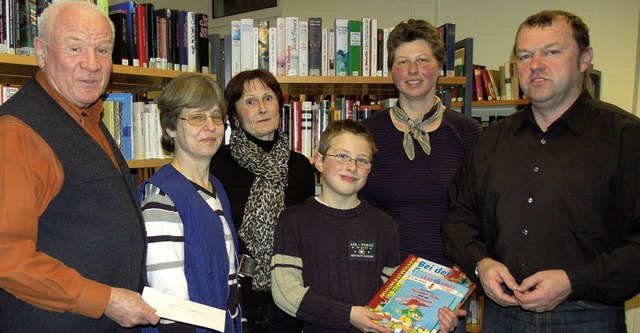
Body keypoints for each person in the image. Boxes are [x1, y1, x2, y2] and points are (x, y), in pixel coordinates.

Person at [443, 10, 640, 332]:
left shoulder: (626, 138)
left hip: (588, 317)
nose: (535, 64)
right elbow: (458, 219)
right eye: (524, 55)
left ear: (585, 58)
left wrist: (573, 281)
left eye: (552, 51)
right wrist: (481, 264)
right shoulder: (491, 140)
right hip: (502, 316)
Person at [0, 1, 160, 331]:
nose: (91, 64)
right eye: (75, 47)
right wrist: (105, 300)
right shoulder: (17, 132)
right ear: (42, 52)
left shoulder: (87, 115)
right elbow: (7, 258)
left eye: (102, 50)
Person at [271, 119, 462, 333]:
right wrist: (348, 315)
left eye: (362, 160)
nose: (352, 167)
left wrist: (432, 320)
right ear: (319, 161)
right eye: (342, 156)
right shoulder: (293, 220)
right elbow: (285, 291)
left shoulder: (384, 225)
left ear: (370, 169)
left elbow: (393, 299)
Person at [358, 19, 481, 332]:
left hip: (443, 294)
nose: (413, 70)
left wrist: (454, 287)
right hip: (380, 286)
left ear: (439, 66)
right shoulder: (367, 133)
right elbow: (356, 212)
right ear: (391, 71)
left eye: (422, 60)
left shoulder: (468, 133)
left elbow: (481, 215)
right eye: (403, 62)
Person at [210, 69, 315, 332]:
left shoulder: (300, 167)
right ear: (234, 115)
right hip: (233, 299)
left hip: (286, 298)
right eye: (250, 101)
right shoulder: (216, 164)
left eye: (268, 98)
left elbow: (307, 236)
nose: (262, 108)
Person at [139, 73, 241, 333]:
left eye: (216, 116)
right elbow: (170, 306)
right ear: (171, 127)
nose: (210, 126)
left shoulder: (216, 187)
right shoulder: (161, 199)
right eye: (196, 117)